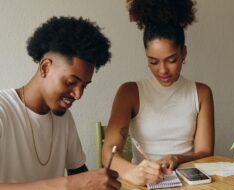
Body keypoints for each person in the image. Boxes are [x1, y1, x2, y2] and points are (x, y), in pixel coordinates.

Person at [0, 16, 121, 190]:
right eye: (71, 82)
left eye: (84, 86)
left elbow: (79, 174)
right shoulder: (3, 111)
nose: (78, 95)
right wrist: (68, 184)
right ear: (45, 68)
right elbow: (75, 182)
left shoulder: (63, 117)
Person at [102, 0, 214, 186]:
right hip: (144, 184)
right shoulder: (130, 92)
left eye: (171, 60)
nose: (162, 70)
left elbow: (205, 153)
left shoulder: (201, 93)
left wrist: (177, 158)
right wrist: (133, 172)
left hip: (188, 184)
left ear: (183, 53)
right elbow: (108, 153)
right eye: (153, 62)